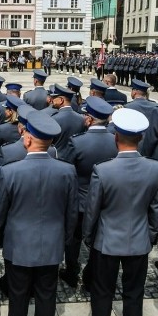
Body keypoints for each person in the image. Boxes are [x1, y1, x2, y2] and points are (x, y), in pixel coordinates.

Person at [0, 111, 78, 316]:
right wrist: (63, 240)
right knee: (47, 294)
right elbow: (71, 214)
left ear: (28, 140)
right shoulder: (67, 171)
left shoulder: (10, 172)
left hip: (18, 245)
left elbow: (0, 213)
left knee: (18, 294)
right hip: (51, 245)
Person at [83, 108, 158, 316]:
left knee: (102, 291)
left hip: (107, 241)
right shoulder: (156, 169)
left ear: (116, 137)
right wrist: (151, 236)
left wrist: (89, 236)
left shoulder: (103, 170)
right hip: (139, 240)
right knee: (134, 293)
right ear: (140, 138)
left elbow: (92, 210)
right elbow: (156, 210)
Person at [59, 96, 117, 290]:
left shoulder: (77, 142)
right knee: (98, 240)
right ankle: (92, 275)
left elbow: (66, 169)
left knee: (73, 238)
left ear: (90, 119)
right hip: (104, 199)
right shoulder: (114, 141)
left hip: (80, 200)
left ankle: (72, 271)